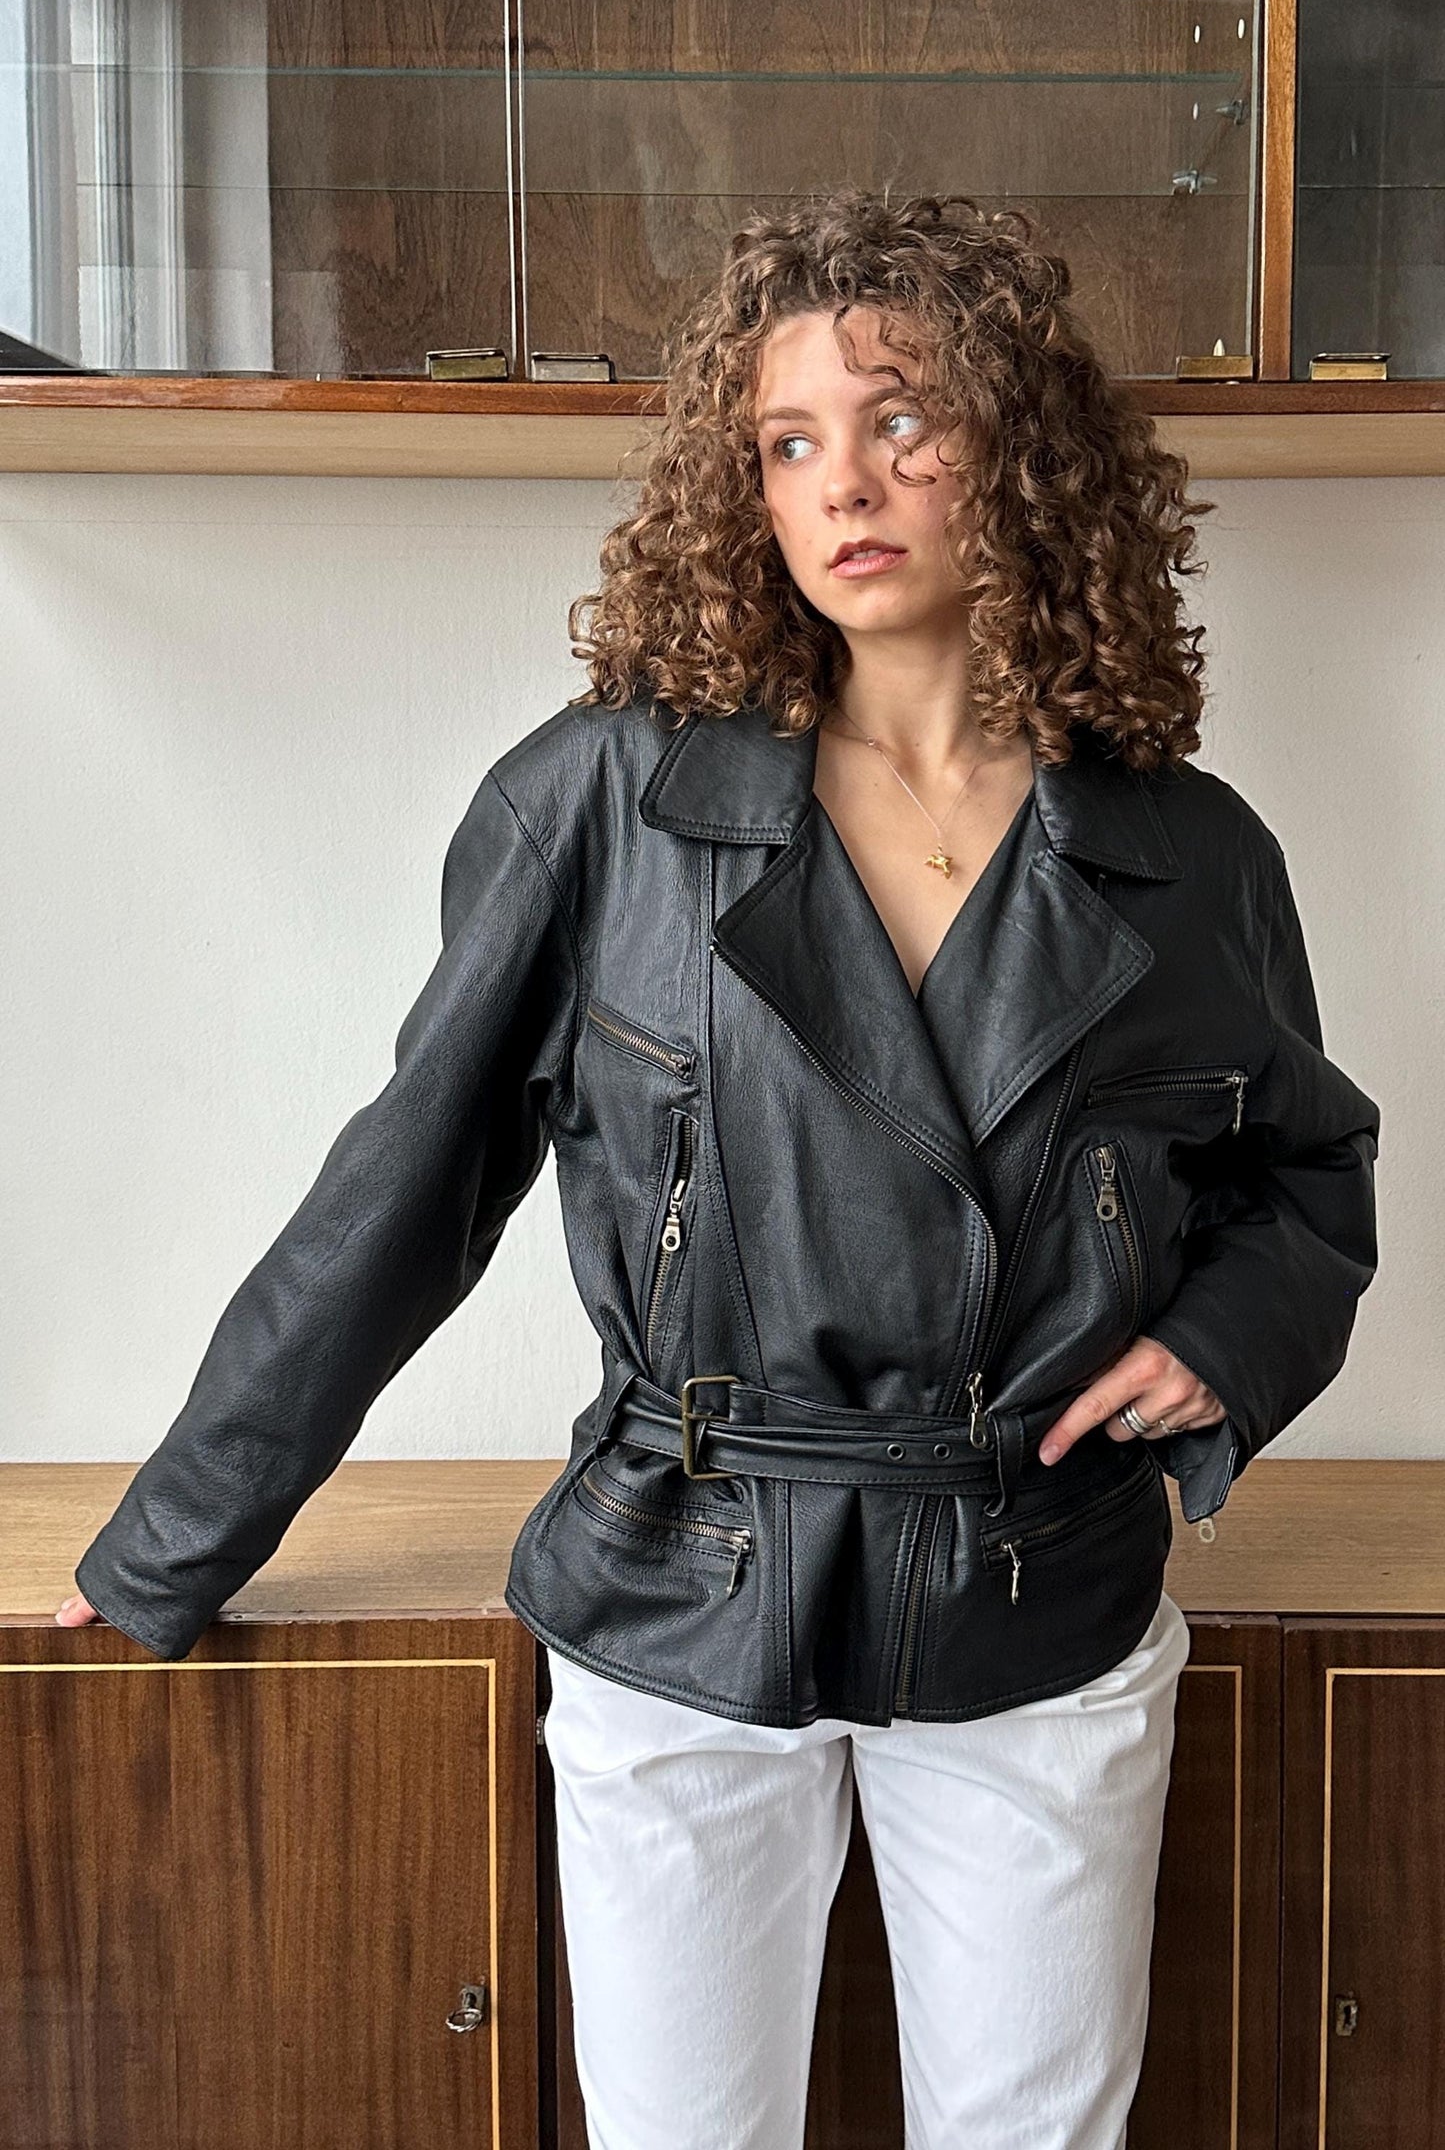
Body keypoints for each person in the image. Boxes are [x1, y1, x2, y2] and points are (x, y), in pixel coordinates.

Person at [59, 189, 1381, 2148]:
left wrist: (1225, 1343)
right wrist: (173, 1539)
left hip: (1040, 1593)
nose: (840, 480)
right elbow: (401, 1194)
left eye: (901, 418)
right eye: (789, 439)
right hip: (684, 1596)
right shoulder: (608, 799)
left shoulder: (1189, 855)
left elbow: (1309, 1179)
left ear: (1020, 446)